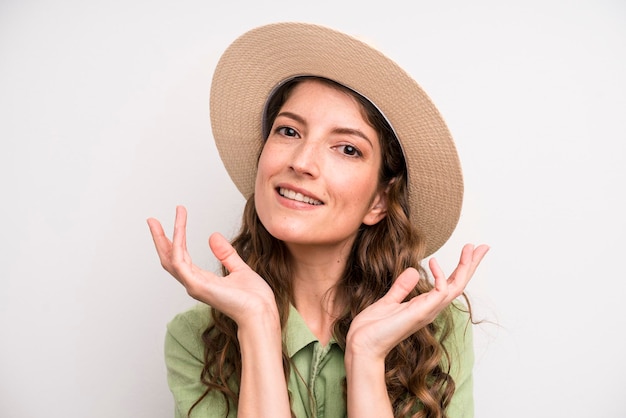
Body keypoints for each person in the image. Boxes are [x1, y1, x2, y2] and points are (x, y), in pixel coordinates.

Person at [147, 22, 489, 418]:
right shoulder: (196, 336)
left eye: (346, 148)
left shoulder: (436, 329)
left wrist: (366, 356)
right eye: (289, 131)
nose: (302, 162)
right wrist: (256, 324)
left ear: (379, 201)